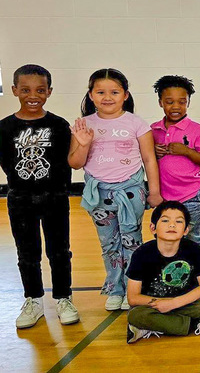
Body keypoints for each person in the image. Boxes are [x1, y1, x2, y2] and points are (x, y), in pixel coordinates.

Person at [69, 68, 162, 312]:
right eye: (100, 92)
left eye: (114, 92)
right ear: (91, 95)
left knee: (132, 241)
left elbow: (149, 159)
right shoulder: (84, 124)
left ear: (125, 95)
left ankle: (133, 288)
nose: (107, 97)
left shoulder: (136, 123)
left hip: (131, 190)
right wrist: (83, 143)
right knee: (109, 244)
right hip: (99, 193)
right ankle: (115, 289)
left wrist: (154, 191)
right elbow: (75, 163)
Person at [1, 64, 78, 328]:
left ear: (49, 92)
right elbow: (7, 164)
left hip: (54, 198)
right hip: (20, 199)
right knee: (27, 252)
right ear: (14, 90)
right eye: (25, 90)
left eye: (40, 90)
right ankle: (33, 299)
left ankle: (64, 298)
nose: (33, 96)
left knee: (59, 251)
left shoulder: (58, 125)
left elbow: (68, 162)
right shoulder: (5, 128)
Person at [125, 201, 200, 343]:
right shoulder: (141, 254)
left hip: (185, 301)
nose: (172, 225)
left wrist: (174, 303)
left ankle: (156, 326)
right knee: (135, 315)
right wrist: (163, 303)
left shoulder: (193, 249)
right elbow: (133, 297)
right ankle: (196, 324)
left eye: (179, 221)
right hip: (156, 305)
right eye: (165, 220)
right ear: (153, 228)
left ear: (186, 230)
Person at [151, 75, 200, 251]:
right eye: (169, 102)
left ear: (188, 102)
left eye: (182, 102)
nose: (176, 107)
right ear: (160, 102)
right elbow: (146, 158)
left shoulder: (196, 129)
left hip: (191, 195)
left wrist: (186, 151)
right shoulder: (154, 129)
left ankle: (197, 267)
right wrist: (153, 151)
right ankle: (172, 266)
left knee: (195, 237)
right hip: (164, 196)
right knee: (166, 236)